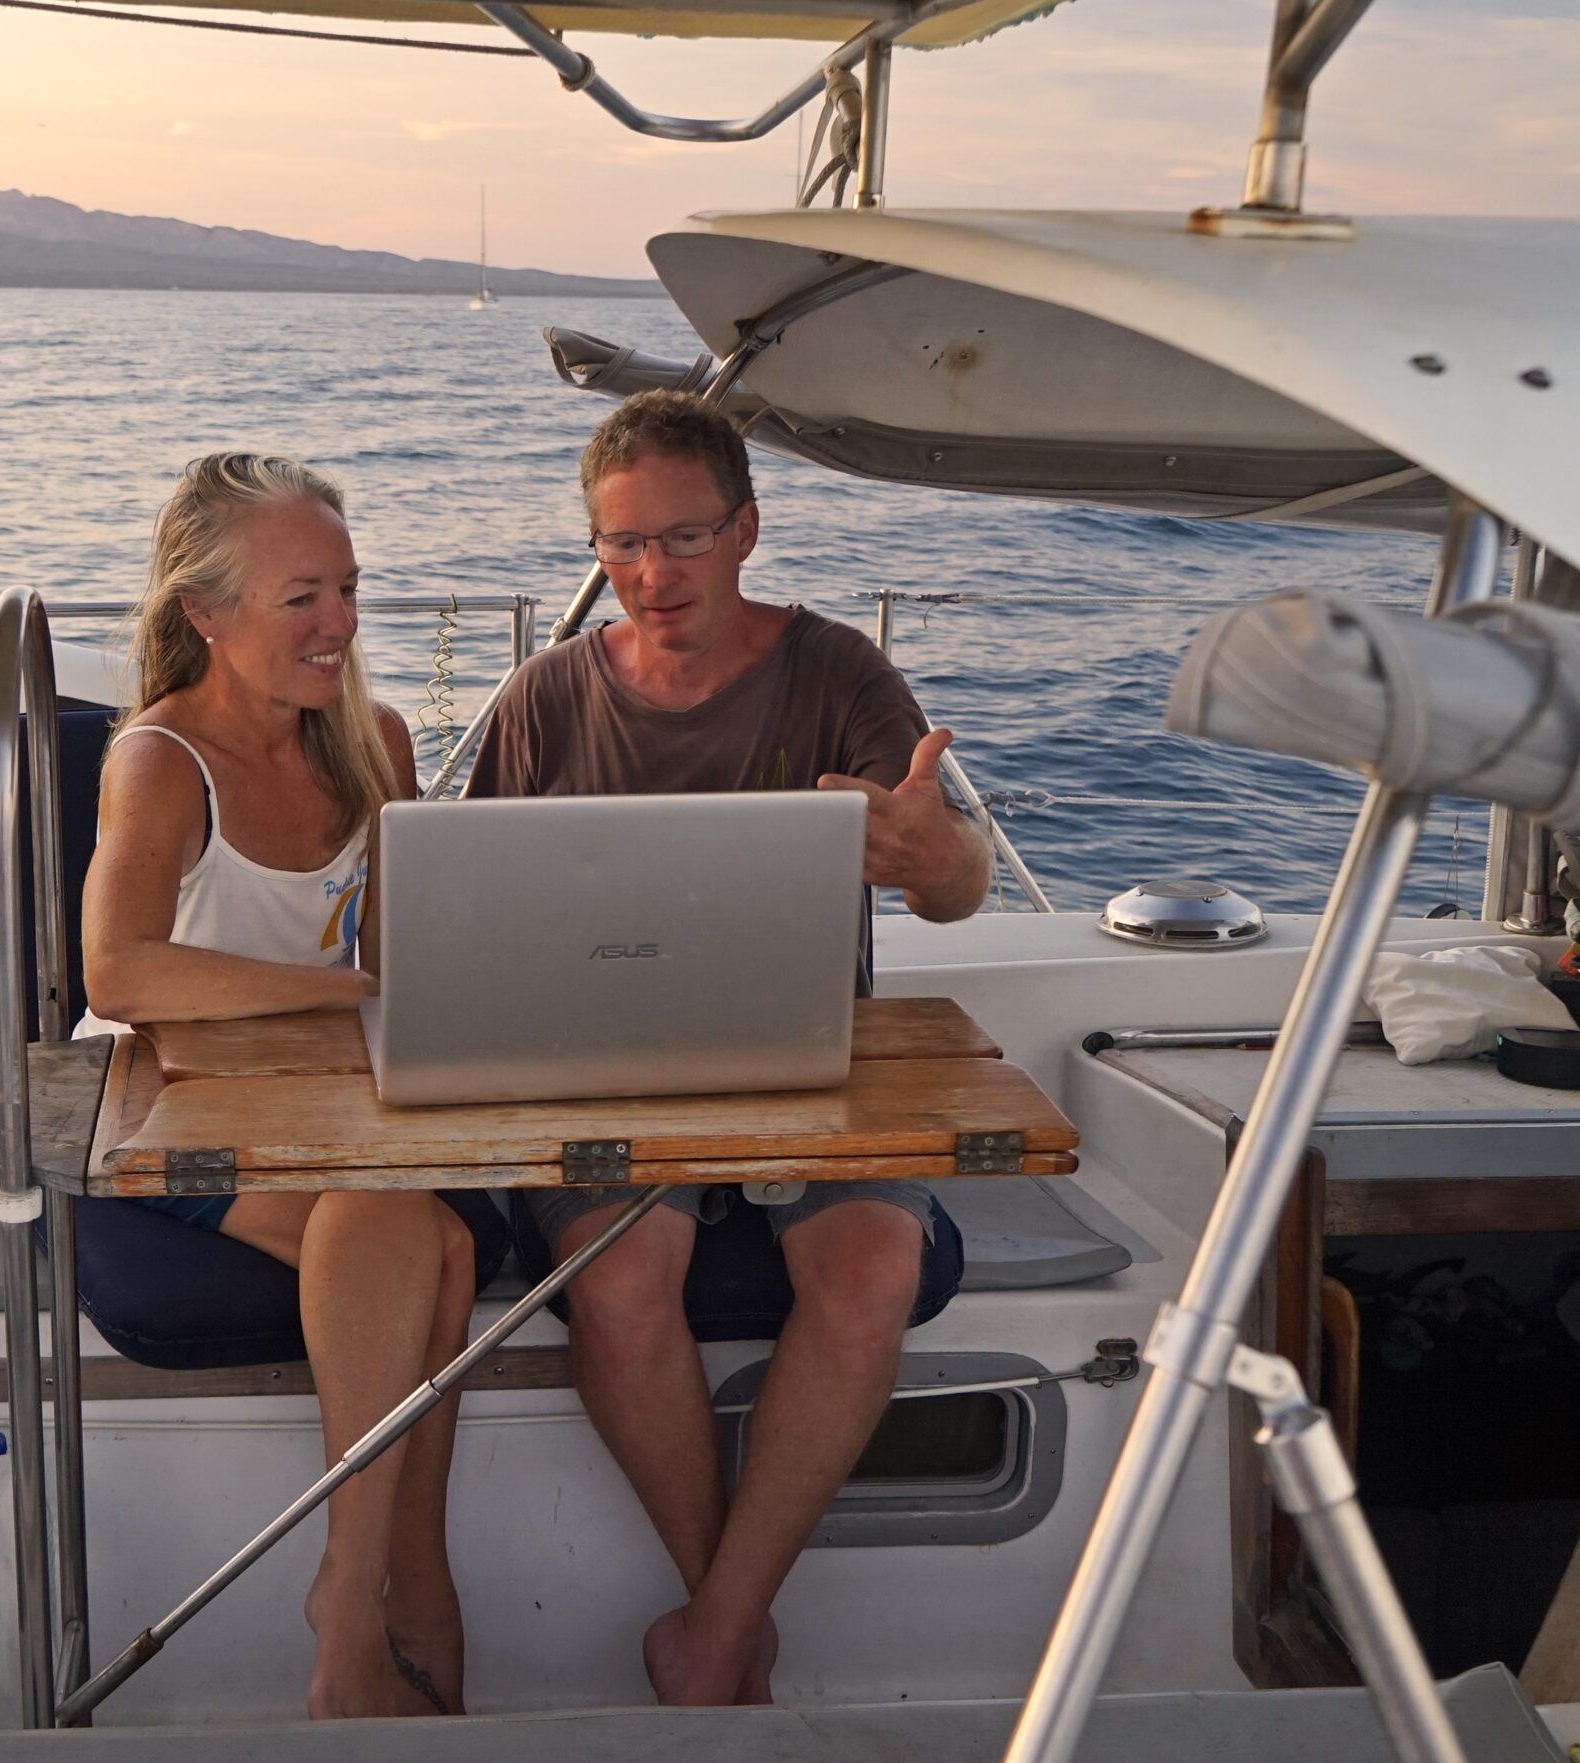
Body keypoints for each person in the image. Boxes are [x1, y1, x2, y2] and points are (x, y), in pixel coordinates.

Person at [466, 390, 990, 1707]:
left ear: (746, 529)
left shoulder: (841, 676)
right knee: (620, 1268)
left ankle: (710, 1633)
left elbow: (956, 881)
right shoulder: (542, 697)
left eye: (681, 539)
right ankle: (725, 1633)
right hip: (600, 1072)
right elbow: (472, 908)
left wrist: (932, 857)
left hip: (814, 1063)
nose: (650, 576)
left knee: (873, 1265)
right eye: (621, 546)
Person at [78, 452, 474, 1720]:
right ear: (206, 613)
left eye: (349, 589)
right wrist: (343, 994)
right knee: (401, 1223)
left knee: (439, 1243)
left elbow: (408, 958)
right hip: (166, 1111)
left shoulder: (377, 742)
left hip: (328, 1104)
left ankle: (400, 1578)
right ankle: (368, 1599)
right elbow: (119, 969)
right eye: (301, 596)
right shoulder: (159, 762)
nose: (340, 625)